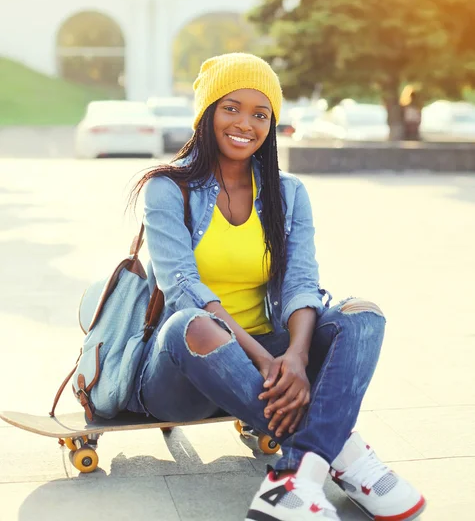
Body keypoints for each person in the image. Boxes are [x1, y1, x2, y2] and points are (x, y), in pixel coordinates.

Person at [127, 53, 426, 521]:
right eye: (231, 107)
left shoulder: (288, 193)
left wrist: (297, 355)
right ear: (206, 113)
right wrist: (268, 360)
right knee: (194, 322)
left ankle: (296, 477)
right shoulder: (168, 188)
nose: (245, 123)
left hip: (270, 360)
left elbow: (302, 281)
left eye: (260, 113)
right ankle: (345, 456)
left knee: (362, 313)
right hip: (183, 370)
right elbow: (182, 285)